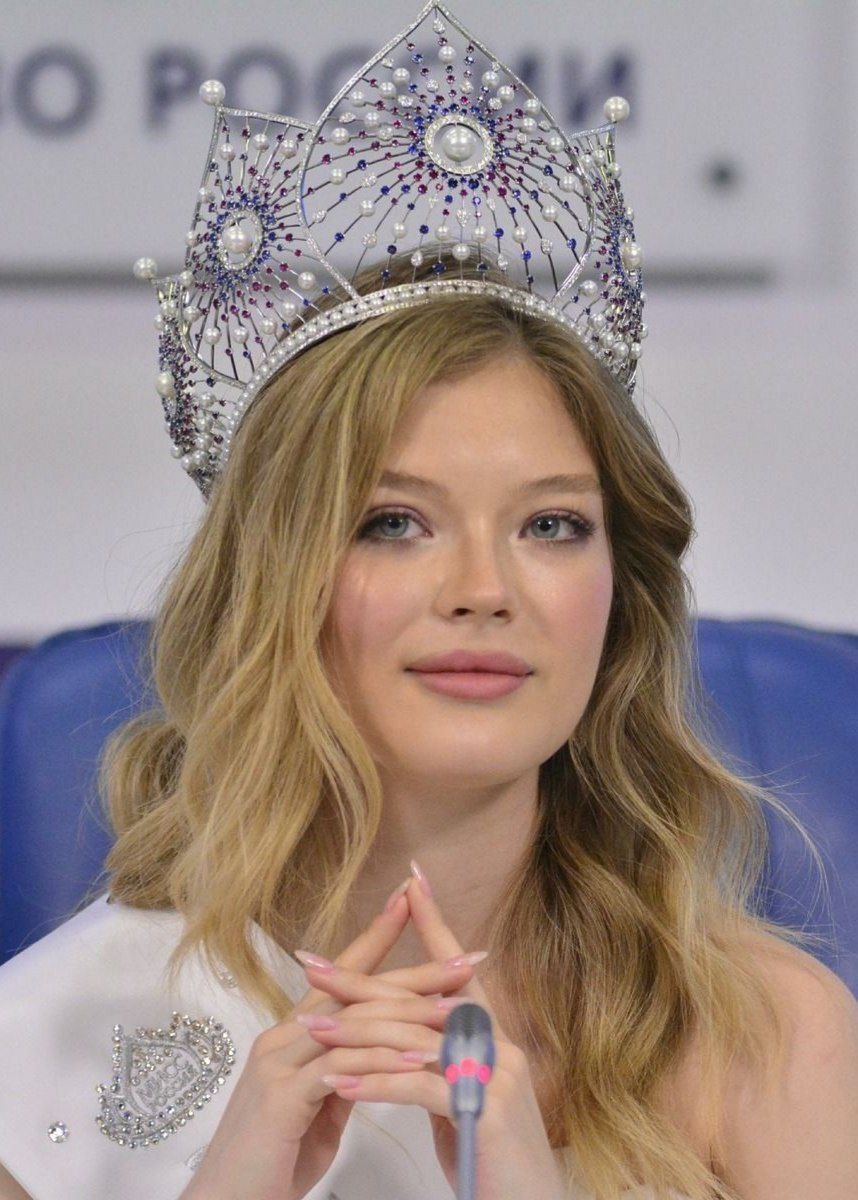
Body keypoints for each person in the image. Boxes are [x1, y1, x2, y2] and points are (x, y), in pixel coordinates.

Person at [2, 5, 858, 1199]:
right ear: (274, 581)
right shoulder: (50, 1039)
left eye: (551, 526)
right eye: (393, 523)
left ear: (620, 595)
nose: (483, 592)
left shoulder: (771, 1034)